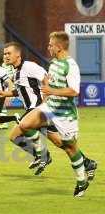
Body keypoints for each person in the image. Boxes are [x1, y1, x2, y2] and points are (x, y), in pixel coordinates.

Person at [8, 32, 97, 197]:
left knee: (70, 148)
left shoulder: (71, 65)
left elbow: (74, 91)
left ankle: (81, 180)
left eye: (50, 45)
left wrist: (51, 90)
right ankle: (43, 154)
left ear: (59, 47)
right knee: (24, 125)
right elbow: (49, 83)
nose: (48, 47)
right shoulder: (54, 63)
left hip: (65, 113)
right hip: (49, 107)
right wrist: (47, 94)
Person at [0, 42, 52, 172]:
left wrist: (46, 100)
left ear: (18, 54)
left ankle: (42, 155)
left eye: (8, 53)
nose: (6, 56)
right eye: (4, 54)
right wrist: (5, 93)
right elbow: (18, 91)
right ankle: (43, 156)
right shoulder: (16, 73)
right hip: (30, 109)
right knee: (14, 137)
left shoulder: (29, 66)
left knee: (22, 128)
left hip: (36, 108)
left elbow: (46, 78)